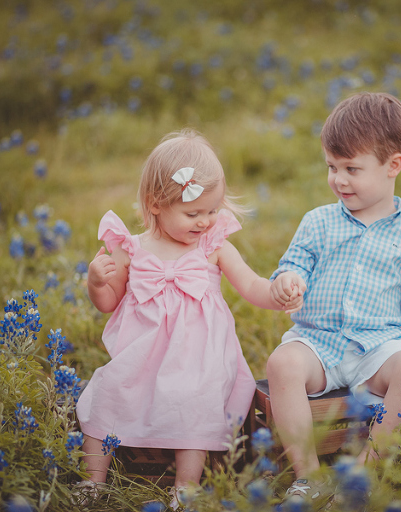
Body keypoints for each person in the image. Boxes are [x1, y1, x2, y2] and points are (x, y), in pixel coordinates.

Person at [74, 130, 303, 508]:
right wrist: (97, 281)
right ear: (155, 204)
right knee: (105, 396)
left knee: (194, 406)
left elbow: (250, 285)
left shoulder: (214, 246)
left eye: (213, 211)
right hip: (141, 358)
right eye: (194, 213)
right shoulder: (131, 249)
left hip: (199, 362)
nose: (205, 221)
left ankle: (185, 487)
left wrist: (276, 292)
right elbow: (107, 302)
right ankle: (92, 482)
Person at [267, 92, 401, 507]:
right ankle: (310, 477)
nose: (339, 180)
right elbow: (292, 263)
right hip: (319, 344)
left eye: (352, 168)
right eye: (332, 167)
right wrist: (288, 280)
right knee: (281, 363)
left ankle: (364, 477)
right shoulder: (318, 222)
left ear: (393, 166)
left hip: (379, 349)